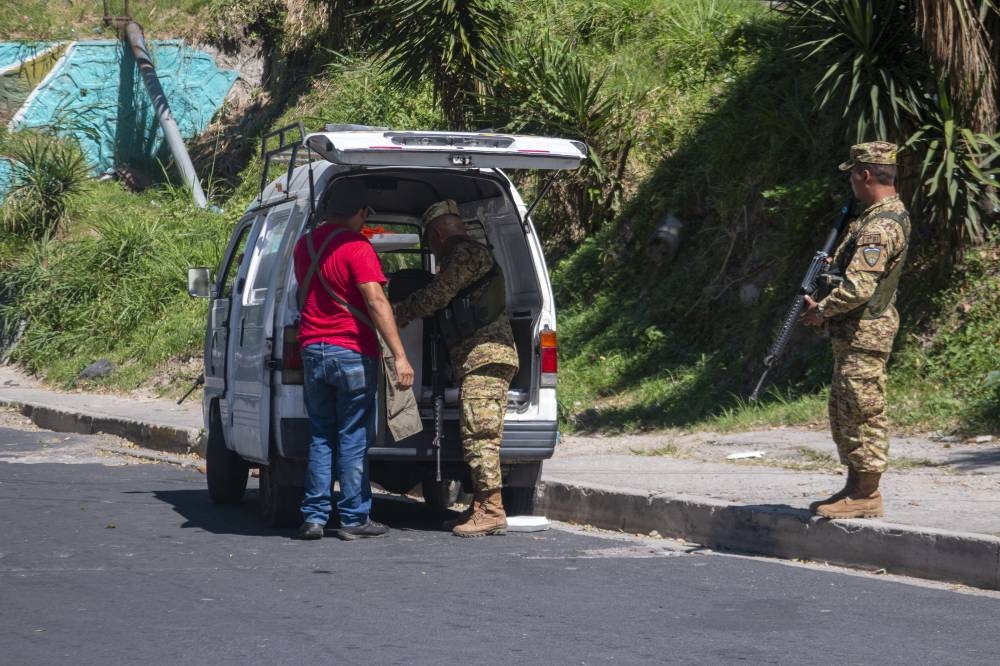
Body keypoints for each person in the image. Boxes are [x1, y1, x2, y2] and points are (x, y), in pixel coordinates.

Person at [294, 178, 414, 540]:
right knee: (352, 435)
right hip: (350, 352)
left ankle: (314, 517)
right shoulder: (357, 246)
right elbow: (376, 302)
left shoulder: (305, 245)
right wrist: (400, 355)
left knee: (320, 435)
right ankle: (352, 518)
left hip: (313, 350)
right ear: (361, 213)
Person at [393, 200, 519, 537]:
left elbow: (437, 294)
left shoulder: (465, 255)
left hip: (486, 357)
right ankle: (481, 506)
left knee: (480, 435)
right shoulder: (470, 254)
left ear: (436, 234)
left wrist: (397, 313)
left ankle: (491, 510)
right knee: (473, 432)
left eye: (430, 241)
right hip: (479, 358)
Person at [800, 141, 910, 519]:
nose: (850, 180)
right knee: (845, 409)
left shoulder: (880, 226)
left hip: (866, 333)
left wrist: (822, 311)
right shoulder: (872, 218)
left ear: (865, 174)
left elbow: (859, 288)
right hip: (856, 334)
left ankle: (867, 494)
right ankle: (854, 488)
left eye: (852, 173)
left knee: (863, 410)